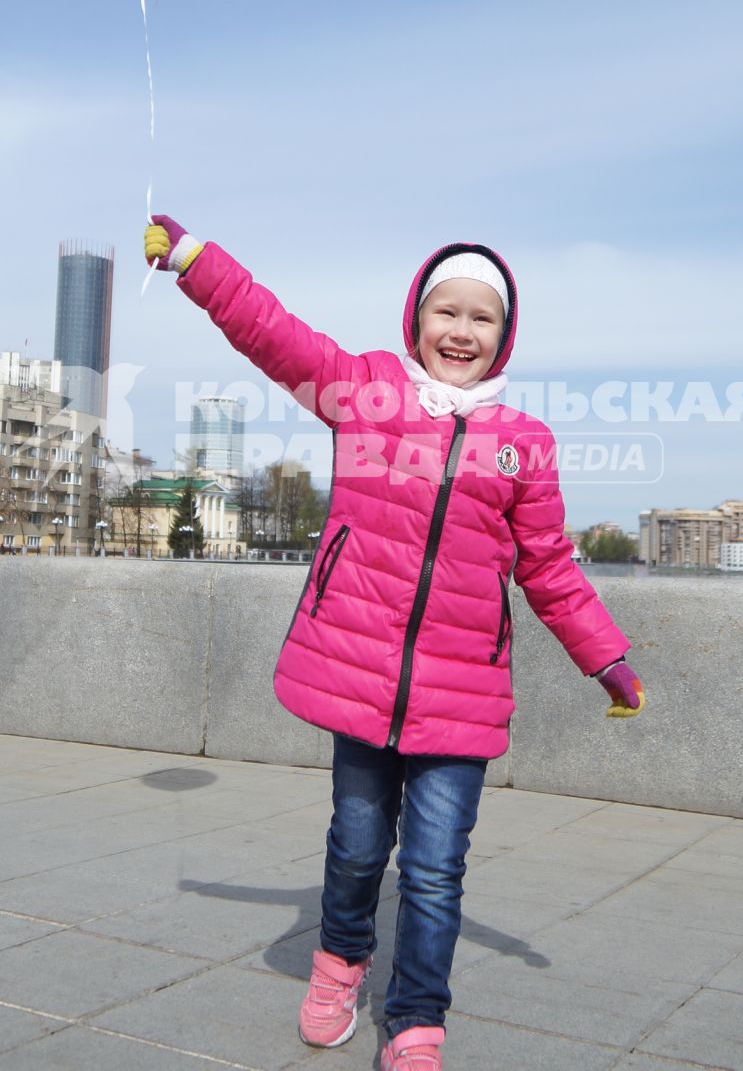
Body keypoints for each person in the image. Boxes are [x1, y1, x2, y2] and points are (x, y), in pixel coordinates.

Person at [144, 216, 645, 1070]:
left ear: (504, 336)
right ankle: (340, 962)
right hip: (358, 673)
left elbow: (550, 566)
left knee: (437, 870)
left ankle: (416, 1020)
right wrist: (194, 259)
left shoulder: (526, 444)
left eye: (481, 318)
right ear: (415, 318)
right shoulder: (366, 393)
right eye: (446, 311)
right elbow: (269, 329)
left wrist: (605, 656)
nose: (461, 330)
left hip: (464, 690)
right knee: (356, 846)